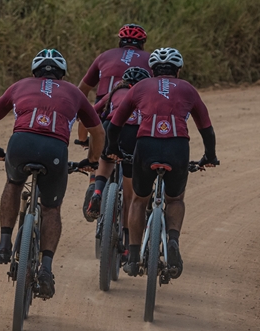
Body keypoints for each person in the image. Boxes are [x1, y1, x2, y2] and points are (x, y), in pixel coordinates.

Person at [0, 49, 105, 299]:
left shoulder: (19, 85)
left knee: (13, 184)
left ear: (35, 72)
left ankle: (4, 243)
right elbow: (98, 132)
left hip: (21, 144)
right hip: (54, 149)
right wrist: (92, 161)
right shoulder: (74, 92)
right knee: (50, 208)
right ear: (62, 74)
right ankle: (46, 268)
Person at [105, 47, 219, 278]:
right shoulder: (187, 88)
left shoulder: (140, 87)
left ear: (152, 70)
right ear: (178, 70)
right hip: (177, 146)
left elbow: (115, 124)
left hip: (146, 145)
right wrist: (210, 155)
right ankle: (173, 240)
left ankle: (133, 257)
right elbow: (206, 127)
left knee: (139, 200)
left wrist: (113, 149)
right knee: (175, 199)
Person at [77, 24, 151, 221]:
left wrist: (80, 122)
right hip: (135, 114)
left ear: (120, 41)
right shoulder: (149, 59)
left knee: (100, 148)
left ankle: (95, 184)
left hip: (107, 106)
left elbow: (82, 89)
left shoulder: (104, 56)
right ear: (142, 43)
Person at [83, 66, 151, 260]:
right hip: (133, 135)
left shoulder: (115, 92)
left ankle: (97, 191)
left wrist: (86, 139)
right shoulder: (147, 95)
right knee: (130, 198)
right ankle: (128, 243)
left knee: (106, 159)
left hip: (110, 129)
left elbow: (92, 112)